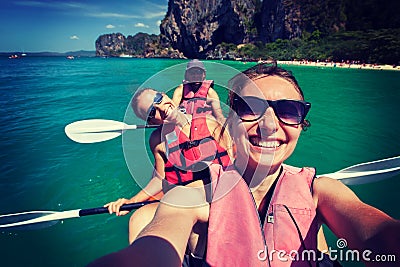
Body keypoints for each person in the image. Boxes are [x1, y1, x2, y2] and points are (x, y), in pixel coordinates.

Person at [90, 63, 399, 267]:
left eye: (289, 111)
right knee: (139, 222)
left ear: (303, 123)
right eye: (251, 107)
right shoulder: (186, 197)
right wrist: (132, 201)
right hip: (201, 186)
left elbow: (382, 235)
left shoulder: (322, 191)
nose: (269, 125)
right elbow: (154, 244)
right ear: (233, 119)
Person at [104, 88, 233, 244]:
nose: (161, 108)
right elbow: (160, 178)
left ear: (165, 95)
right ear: (151, 122)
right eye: (152, 112)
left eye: (158, 98)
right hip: (186, 200)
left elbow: (233, 160)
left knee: (196, 232)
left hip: (220, 197)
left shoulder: (210, 123)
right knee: (138, 219)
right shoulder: (158, 141)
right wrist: (131, 202)